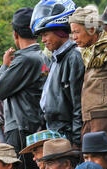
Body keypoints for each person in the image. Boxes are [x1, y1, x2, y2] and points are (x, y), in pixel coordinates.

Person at [0, 7, 50, 169]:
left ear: (15, 34)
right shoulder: (43, 57)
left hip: (20, 128)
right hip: (35, 126)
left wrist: (4, 66)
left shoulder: (25, 59)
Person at [69, 7, 107, 150]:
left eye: (77, 32)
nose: (74, 37)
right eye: (72, 33)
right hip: (89, 120)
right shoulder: (89, 53)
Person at [30, 0, 84, 149]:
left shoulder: (73, 58)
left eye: (46, 34)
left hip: (67, 136)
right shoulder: (56, 59)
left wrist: (76, 142)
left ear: (60, 31)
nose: (43, 40)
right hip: (54, 132)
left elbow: (78, 104)